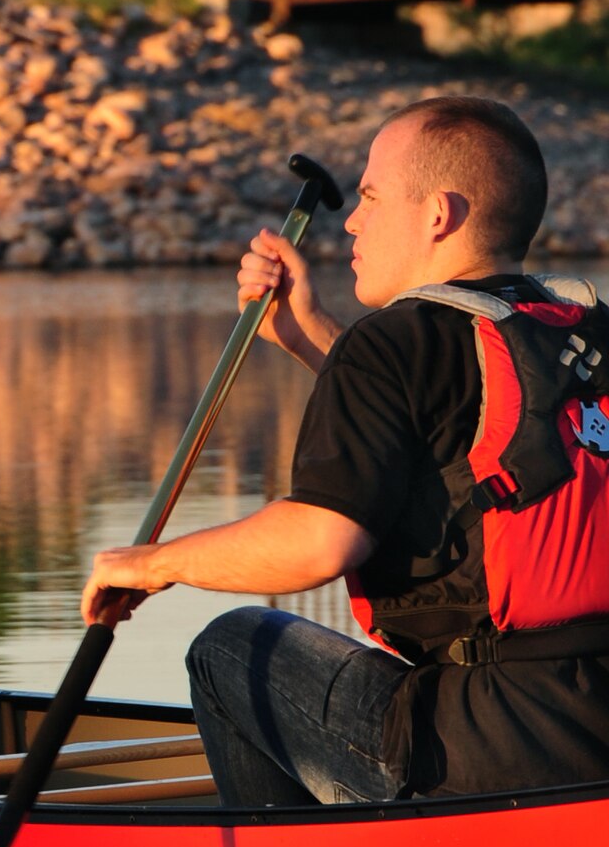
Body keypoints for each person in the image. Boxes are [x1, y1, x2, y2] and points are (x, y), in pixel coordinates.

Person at [81, 94, 609, 804]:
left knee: (233, 648)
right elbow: (457, 443)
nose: (354, 221)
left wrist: (154, 563)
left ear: (437, 215)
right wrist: (309, 334)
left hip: (482, 744)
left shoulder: (392, 340)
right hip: (590, 722)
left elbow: (322, 541)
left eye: (369, 195)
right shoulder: (580, 331)